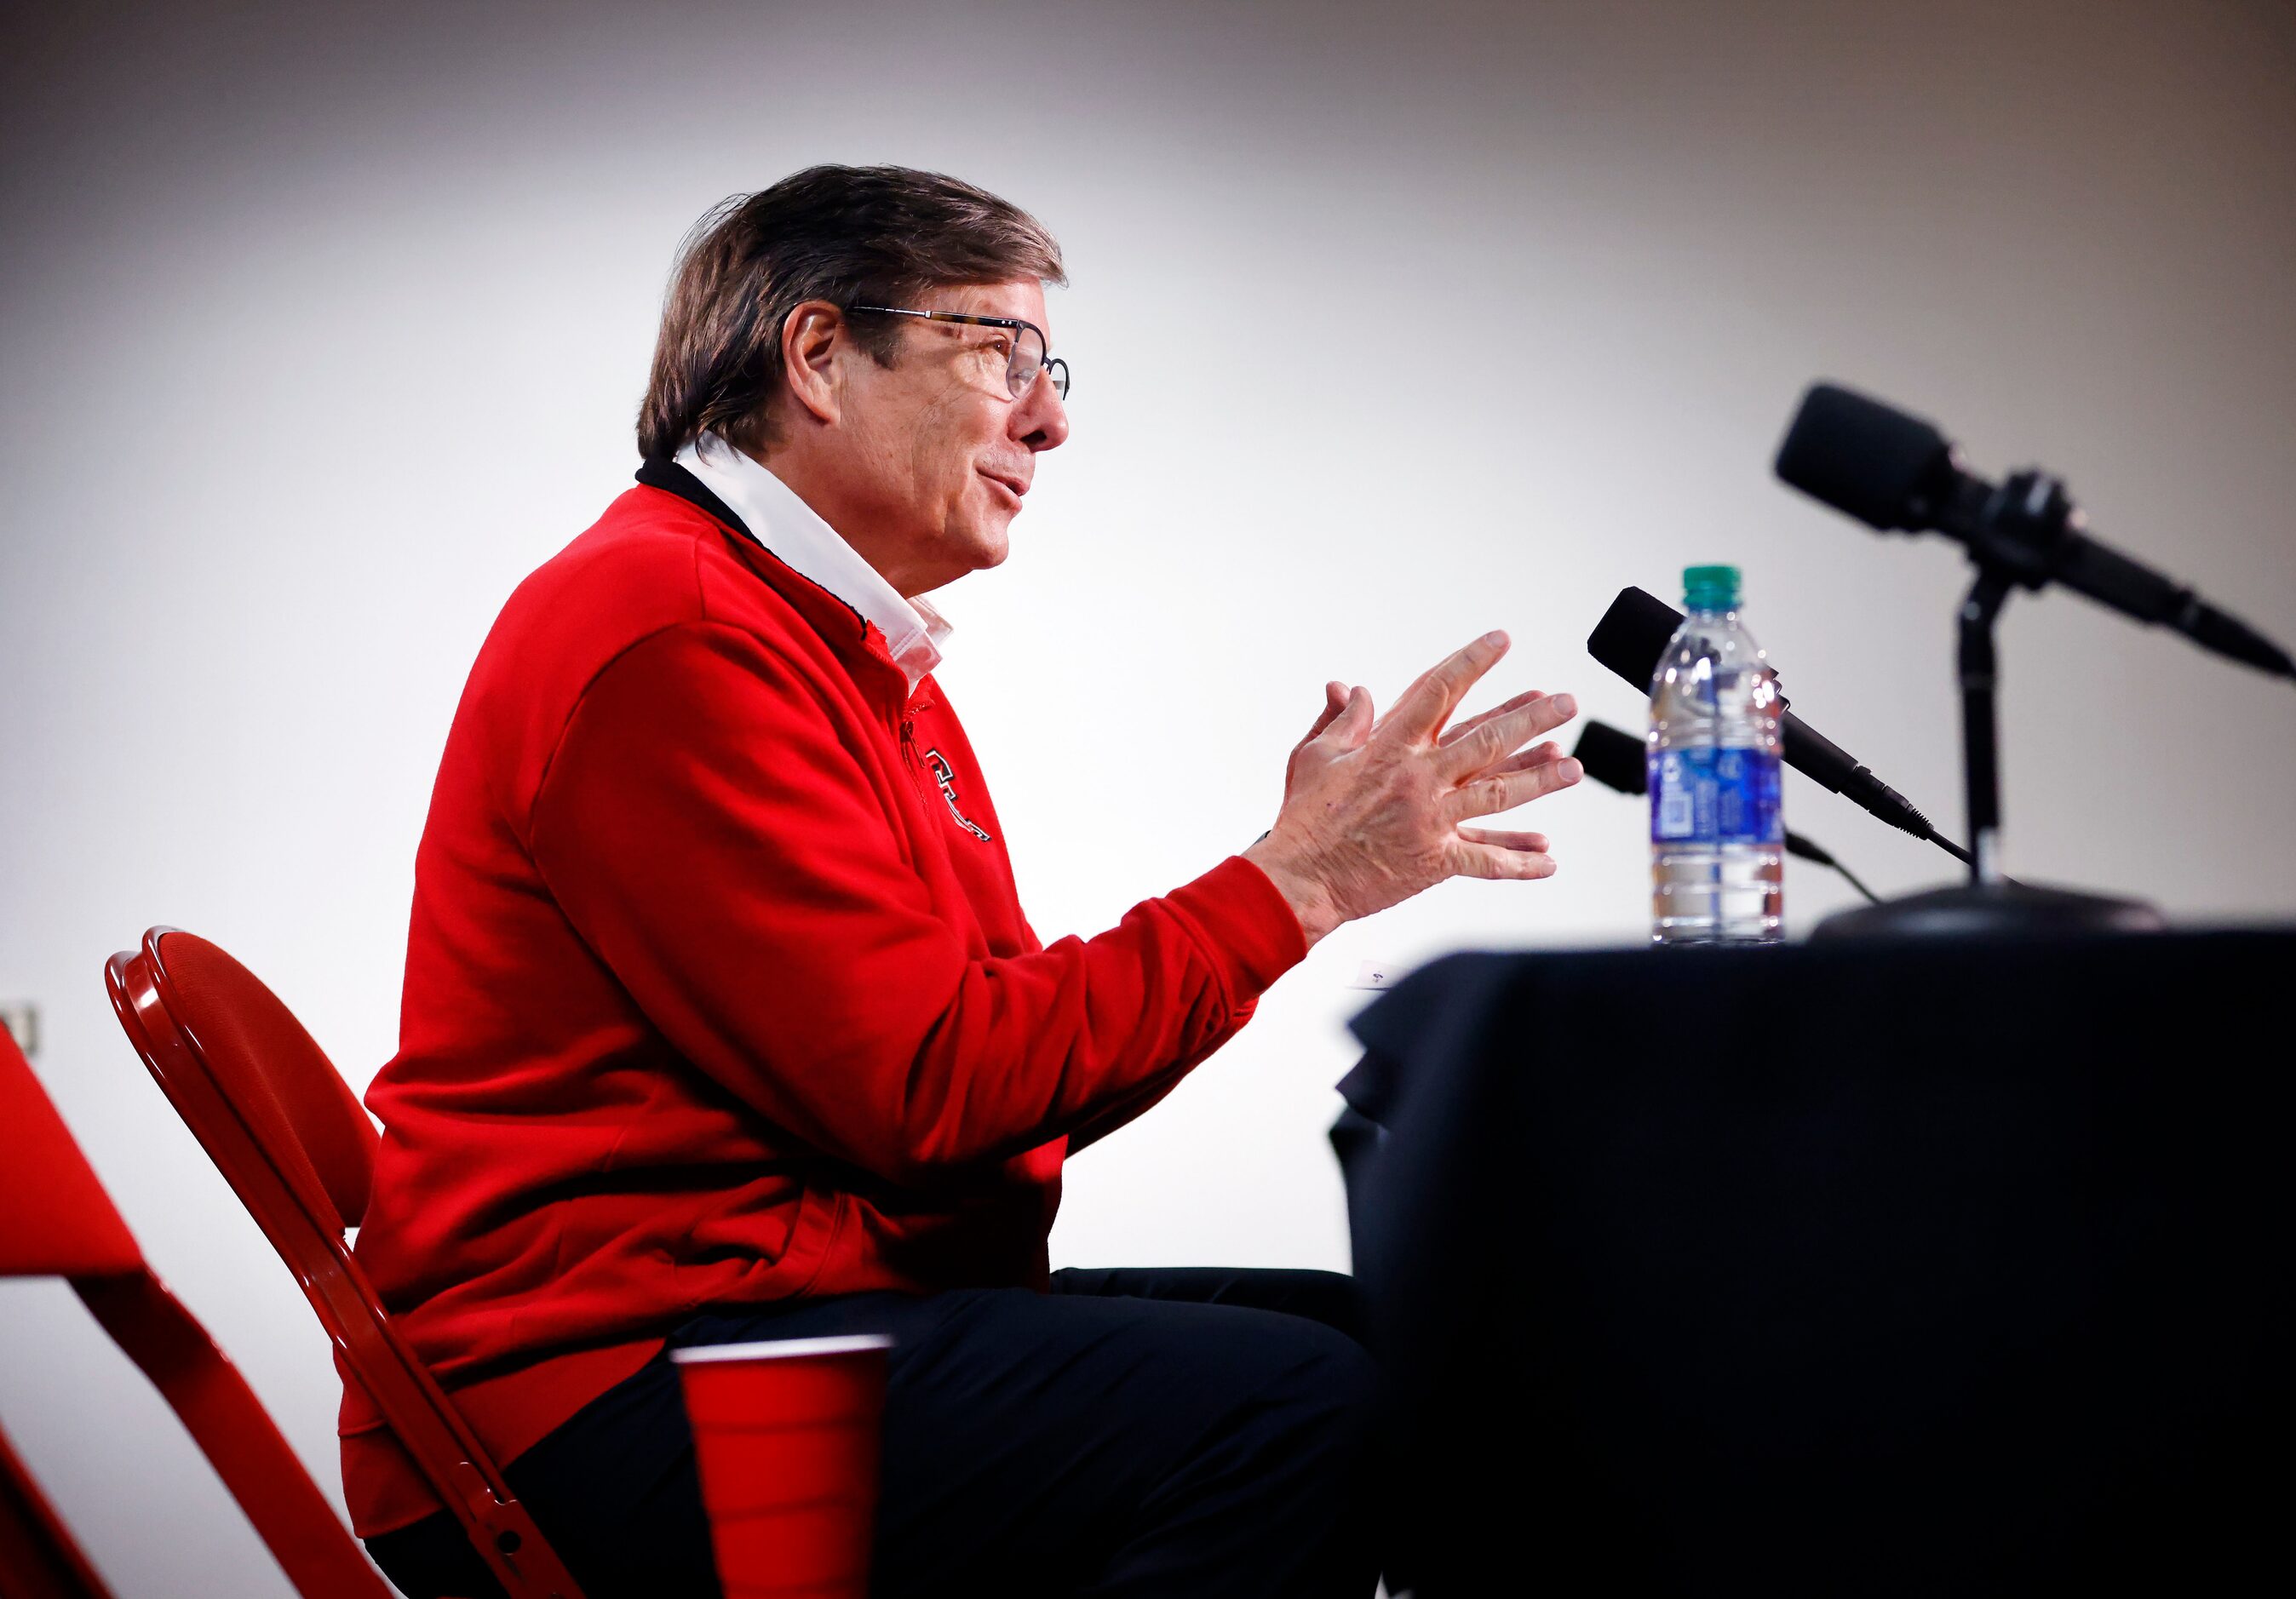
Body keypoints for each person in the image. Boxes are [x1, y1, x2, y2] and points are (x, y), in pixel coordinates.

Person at [350, 163, 1581, 1598]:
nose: (1050, 418)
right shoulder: (675, 638)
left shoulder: (839, 647)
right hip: (601, 1397)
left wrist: (1295, 888)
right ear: (816, 355)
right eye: (999, 352)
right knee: (1294, 1406)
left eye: (1046, 366)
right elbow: (937, 1091)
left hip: (775, 1319)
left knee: (1413, 1350)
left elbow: (994, 1068)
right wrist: (1286, 886)